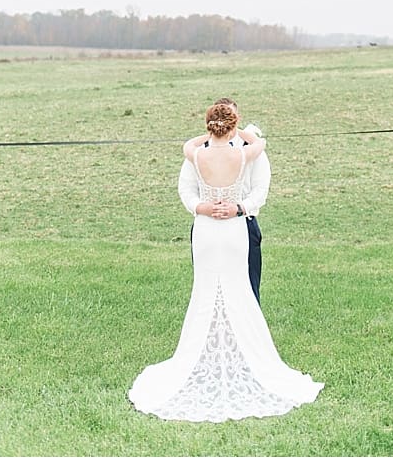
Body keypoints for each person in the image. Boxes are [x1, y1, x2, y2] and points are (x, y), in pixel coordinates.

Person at [128, 102, 322, 421]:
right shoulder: (243, 154)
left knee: (221, 291)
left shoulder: (197, 154)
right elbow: (259, 143)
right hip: (230, 230)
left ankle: (233, 351)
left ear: (209, 125)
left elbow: (190, 147)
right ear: (234, 124)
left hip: (215, 228)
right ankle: (223, 352)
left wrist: (212, 134)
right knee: (227, 290)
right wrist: (237, 131)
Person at [177, 97, 270, 302]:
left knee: (248, 288)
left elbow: (260, 190)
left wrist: (239, 208)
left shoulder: (196, 152)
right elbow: (186, 189)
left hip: (243, 222)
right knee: (207, 287)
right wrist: (201, 207)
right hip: (206, 225)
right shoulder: (247, 151)